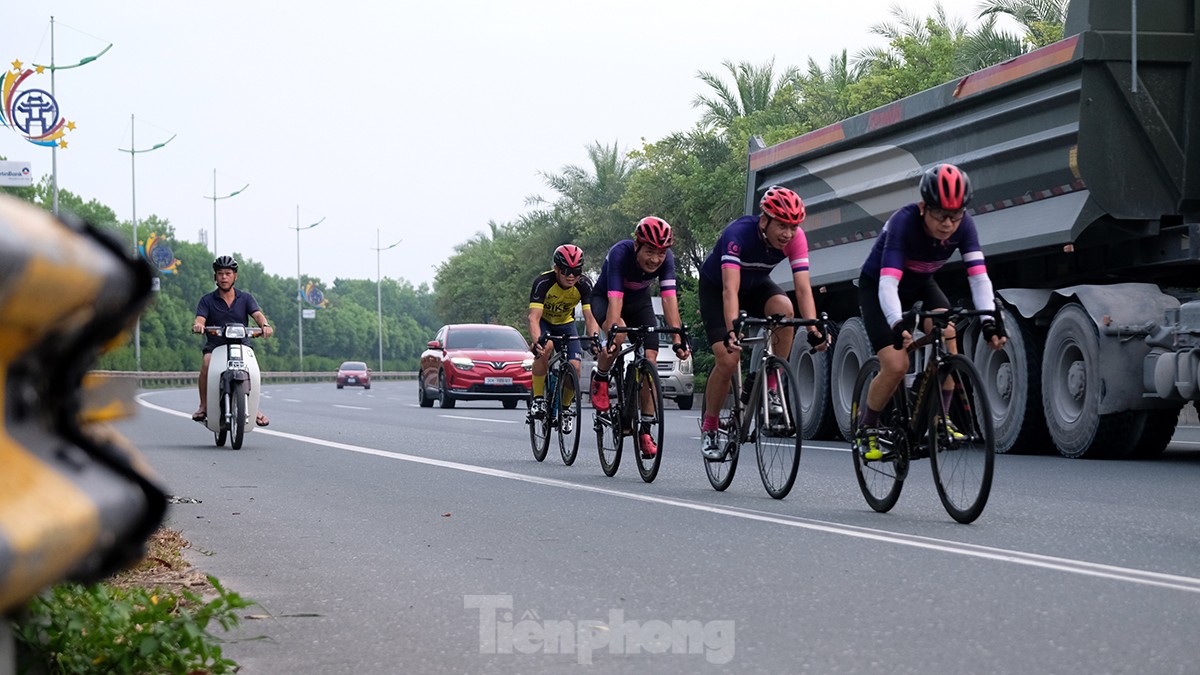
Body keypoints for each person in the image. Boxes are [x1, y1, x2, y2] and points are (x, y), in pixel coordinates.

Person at [855, 163, 1007, 460]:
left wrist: (989, 321)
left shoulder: (965, 225)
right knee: (897, 365)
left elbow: (978, 277)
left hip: (921, 283)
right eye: (940, 214)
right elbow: (888, 283)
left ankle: (939, 420)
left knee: (948, 332)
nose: (949, 223)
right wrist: (897, 324)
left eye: (956, 215)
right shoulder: (904, 222)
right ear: (924, 207)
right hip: (879, 287)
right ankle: (867, 428)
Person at [697, 185, 828, 460]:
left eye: (793, 227)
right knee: (728, 359)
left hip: (755, 286)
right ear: (764, 219)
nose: (788, 234)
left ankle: (771, 386)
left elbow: (803, 288)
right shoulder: (738, 234)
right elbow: (729, 290)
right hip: (718, 289)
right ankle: (710, 428)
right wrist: (733, 330)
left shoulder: (796, 239)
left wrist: (814, 329)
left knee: (785, 310)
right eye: (782, 225)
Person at [589, 216, 691, 458]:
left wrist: (677, 338)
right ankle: (601, 377)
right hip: (607, 298)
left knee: (651, 360)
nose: (656, 259)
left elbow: (668, 299)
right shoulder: (620, 253)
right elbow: (615, 301)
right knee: (619, 333)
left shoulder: (667, 260)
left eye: (661, 253)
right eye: (650, 251)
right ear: (637, 245)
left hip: (639, 303)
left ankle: (645, 429)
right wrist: (614, 332)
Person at [191, 255, 274, 426]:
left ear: (235, 276)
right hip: (216, 346)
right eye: (220, 273)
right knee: (206, 362)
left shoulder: (245, 298)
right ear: (215, 277)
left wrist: (265, 325)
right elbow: (200, 318)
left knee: (252, 370)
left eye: (228, 273)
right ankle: (204, 406)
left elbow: (257, 315)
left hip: (241, 345)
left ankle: (253, 408)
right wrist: (198, 325)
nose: (224, 277)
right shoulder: (207, 300)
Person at [527, 244, 601, 433]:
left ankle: (566, 408)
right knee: (545, 349)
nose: (571, 276)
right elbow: (533, 318)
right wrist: (537, 342)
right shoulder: (543, 282)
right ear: (556, 269)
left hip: (566, 324)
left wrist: (594, 339)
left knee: (575, 366)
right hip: (545, 323)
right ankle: (537, 399)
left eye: (576, 271)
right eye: (566, 271)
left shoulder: (584, 284)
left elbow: (590, 316)